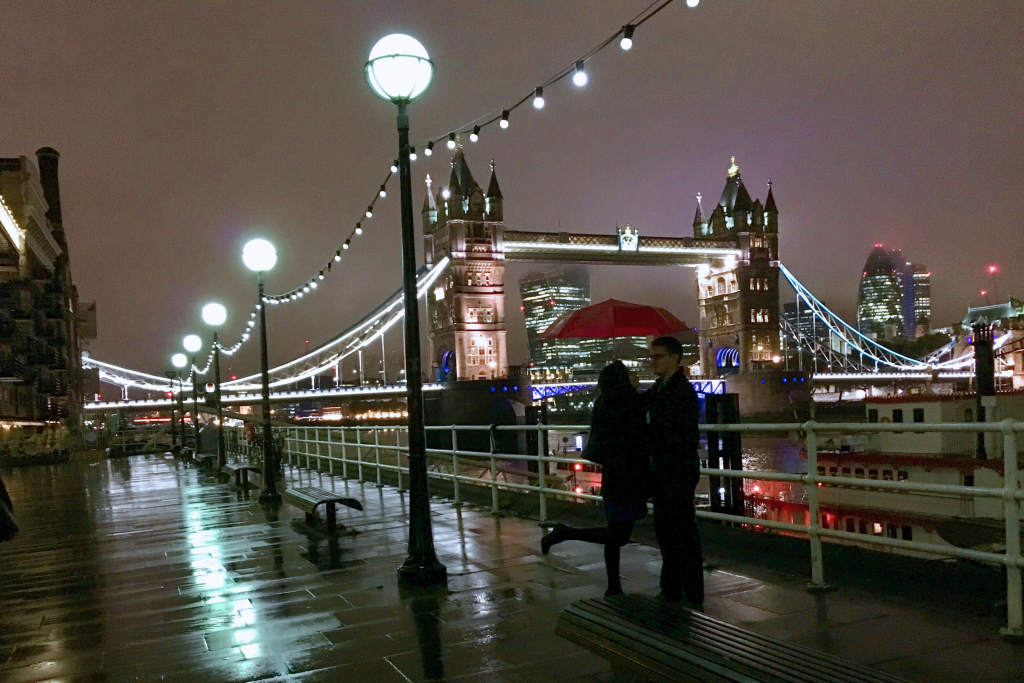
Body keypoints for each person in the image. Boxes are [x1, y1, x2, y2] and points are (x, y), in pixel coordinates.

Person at [540, 360, 651, 597]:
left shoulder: (604, 403)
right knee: (618, 536)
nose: (634, 376)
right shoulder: (629, 403)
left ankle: (613, 586)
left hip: (613, 476)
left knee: (614, 533)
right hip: (629, 476)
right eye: (629, 374)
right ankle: (565, 532)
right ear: (622, 381)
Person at [646, 336, 703, 606]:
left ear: (675, 359)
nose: (652, 361)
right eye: (651, 356)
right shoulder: (659, 388)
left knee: (681, 531)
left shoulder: (682, 391)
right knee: (667, 530)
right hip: (664, 469)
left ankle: (688, 591)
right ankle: (673, 587)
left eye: (658, 356)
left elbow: (683, 434)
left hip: (677, 470)